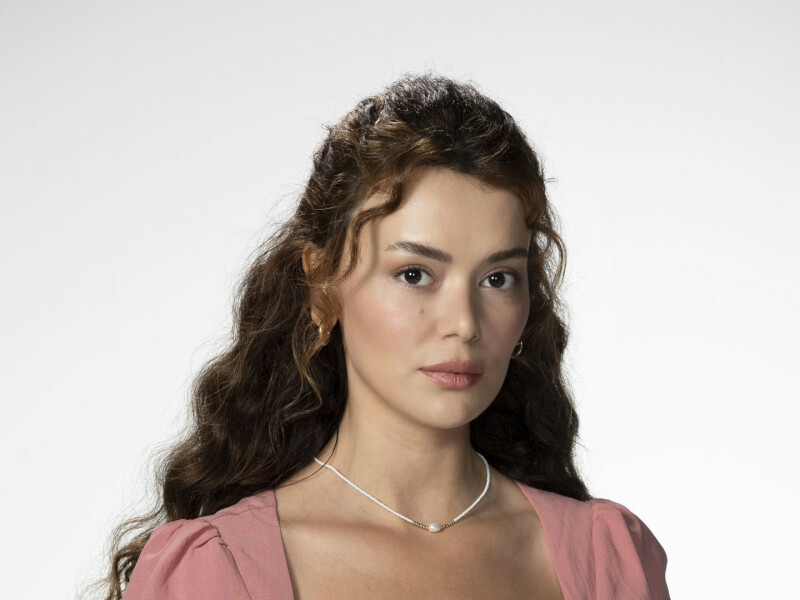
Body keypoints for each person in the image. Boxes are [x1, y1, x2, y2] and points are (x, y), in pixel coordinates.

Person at [100, 73, 670, 599]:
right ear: (323, 285)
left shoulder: (604, 558)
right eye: (415, 274)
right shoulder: (218, 569)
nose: (464, 323)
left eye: (497, 279)